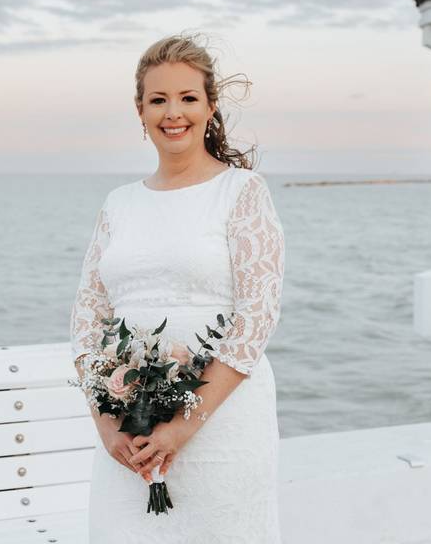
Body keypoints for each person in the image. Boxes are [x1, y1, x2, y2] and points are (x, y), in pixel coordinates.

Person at [70, 33, 285, 542]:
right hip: (129, 437)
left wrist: (183, 424)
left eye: (188, 98)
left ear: (211, 107)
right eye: (158, 99)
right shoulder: (118, 203)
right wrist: (106, 422)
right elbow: (87, 317)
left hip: (222, 425)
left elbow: (257, 316)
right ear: (140, 110)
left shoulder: (242, 192)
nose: (174, 112)